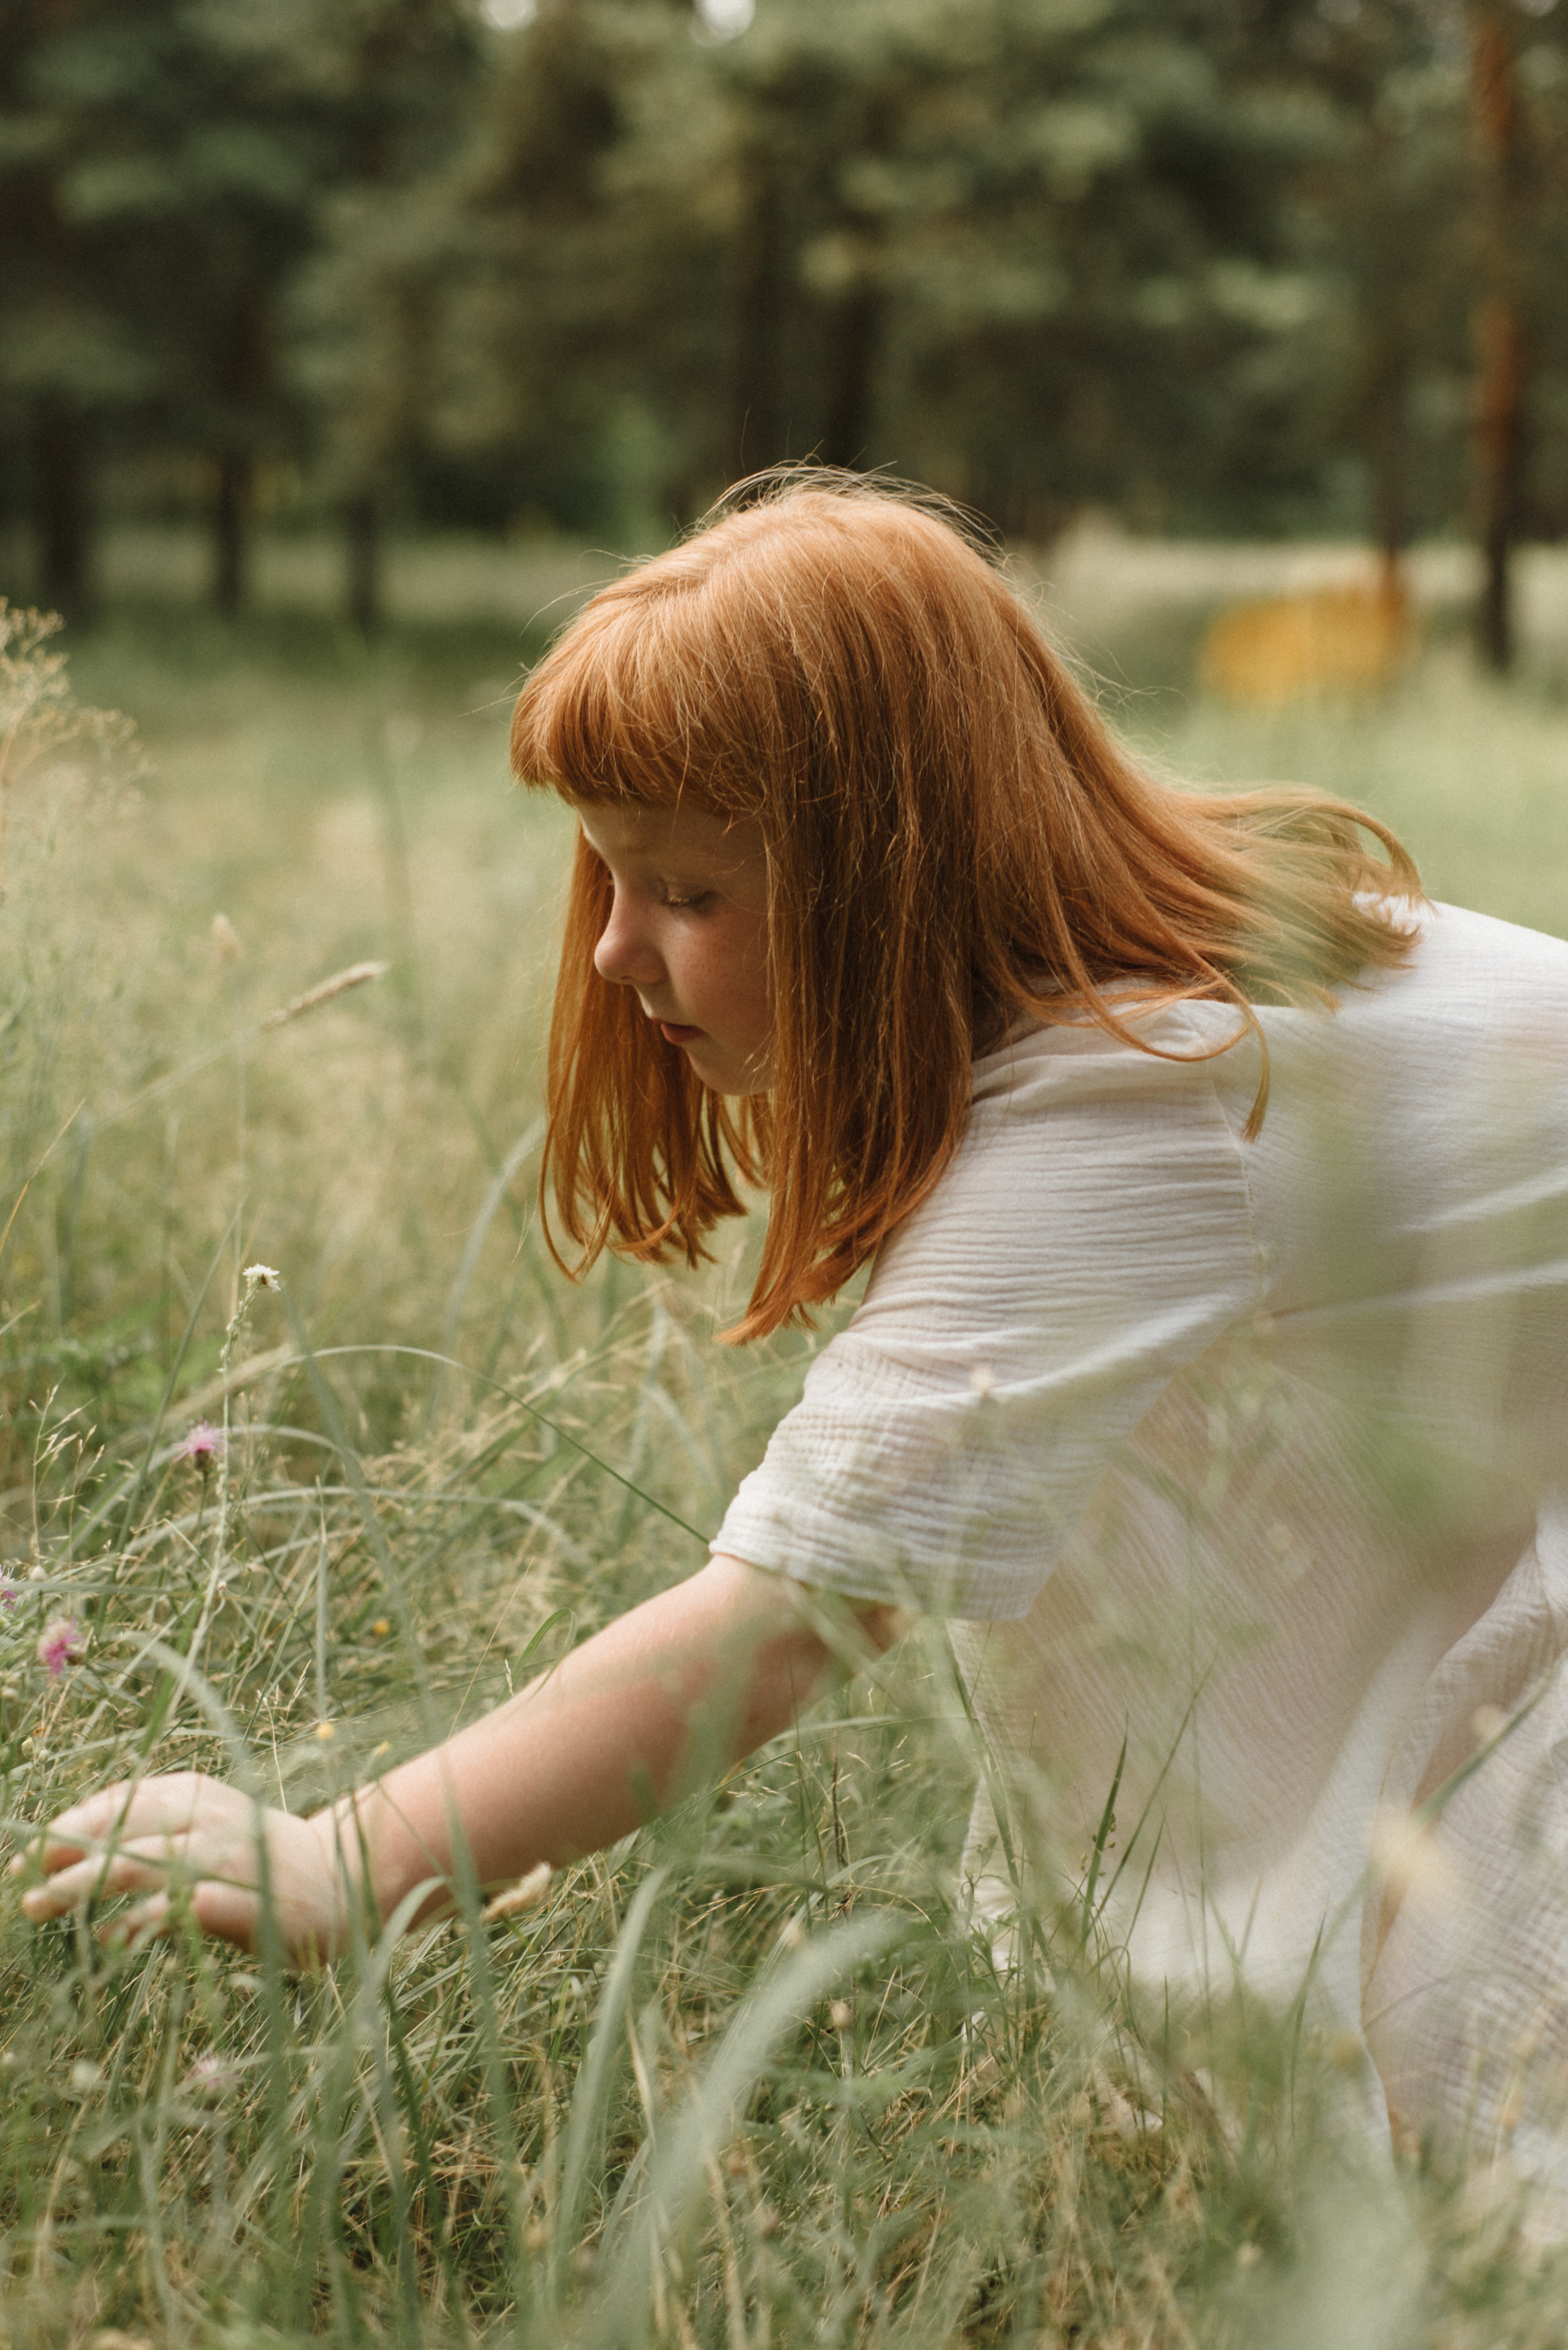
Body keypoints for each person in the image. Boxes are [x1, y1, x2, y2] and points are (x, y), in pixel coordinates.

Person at [15, 474, 1568, 2171]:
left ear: (896, 875)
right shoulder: (1187, 982)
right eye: (606, 879)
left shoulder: (1151, 1106)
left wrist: (348, 1857)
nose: (613, 952)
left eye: (687, 891)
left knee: (1486, 2148)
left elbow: (782, 1622)